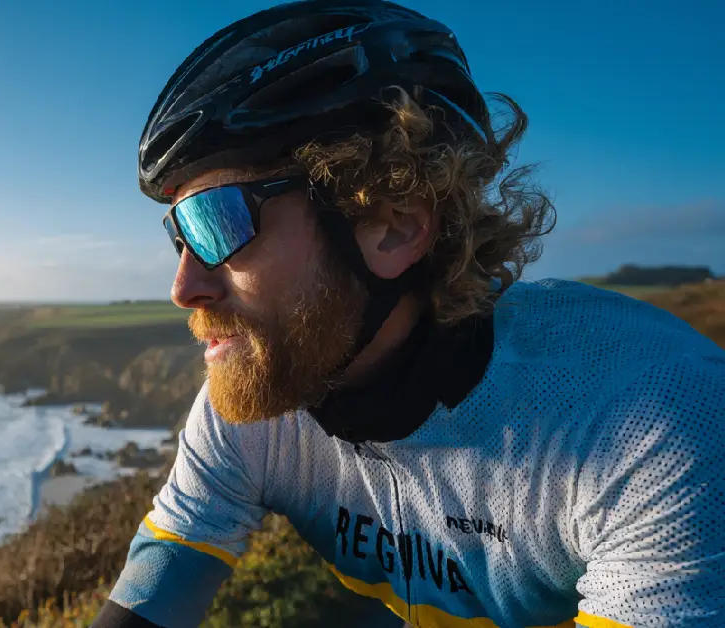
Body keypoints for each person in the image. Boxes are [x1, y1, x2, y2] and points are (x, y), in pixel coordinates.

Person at [90, 1, 725, 627]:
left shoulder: (649, 425)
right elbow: (154, 591)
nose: (183, 286)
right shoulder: (259, 399)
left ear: (393, 228)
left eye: (217, 221)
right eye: (179, 233)